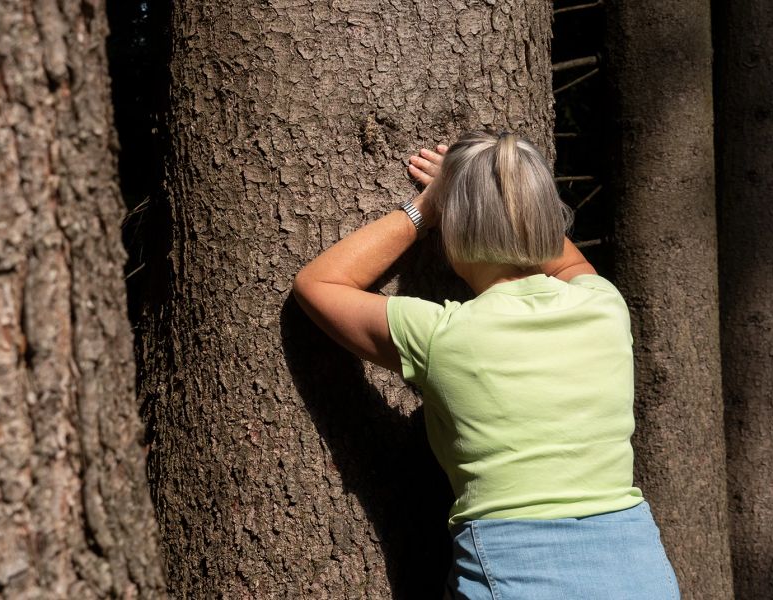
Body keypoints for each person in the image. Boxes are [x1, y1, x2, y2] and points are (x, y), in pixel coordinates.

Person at [292, 129, 681, 599]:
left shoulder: (443, 335)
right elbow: (568, 266)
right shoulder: (604, 306)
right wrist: (501, 194)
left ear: (455, 227)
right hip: (632, 562)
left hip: (520, 569)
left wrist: (426, 208)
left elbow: (318, 283)